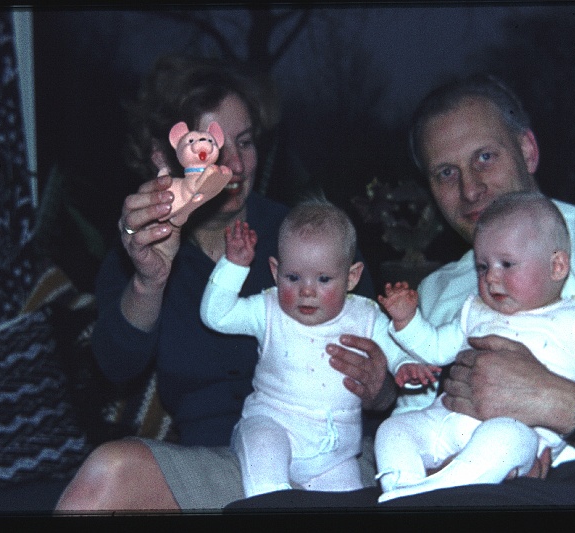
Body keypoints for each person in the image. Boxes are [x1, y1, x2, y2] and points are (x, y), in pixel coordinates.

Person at [226, 73, 575, 510]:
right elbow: (416, 434)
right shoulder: (438, 292)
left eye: (485, 157)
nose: (470, 188)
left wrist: (550, 399)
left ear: (527, 150)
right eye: (446, 173)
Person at [54, 55, 393, 512]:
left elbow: (391, 376)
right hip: (220, 468)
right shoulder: (138, 250)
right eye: (210, 146)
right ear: (163, 154)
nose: (234, 164)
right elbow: (115, 366)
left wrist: (381, 387)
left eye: (246, 142)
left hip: (338, 459)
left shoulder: (309, 237)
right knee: (109, 474)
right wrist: (149, 281)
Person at [373, 191, 575, 502]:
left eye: (507, 264)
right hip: (445, 419)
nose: (492, 278)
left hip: (519, 435)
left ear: (557, 266)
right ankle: (401, 488)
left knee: (506, 439)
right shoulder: (475, 311)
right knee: (393, 431)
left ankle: (435, 491)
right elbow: (435, 348)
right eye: (483, 266)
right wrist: (407, 321)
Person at [200, 200, 409, 498]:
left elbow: (397, 351)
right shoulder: (268, 309)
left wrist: (406, 367)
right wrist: (233, 267)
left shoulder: (366, 316)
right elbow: (215, 315)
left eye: (323, 279)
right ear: (275, 271)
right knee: (266, 476)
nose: (307, 290)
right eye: (293, 277)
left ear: (352, 277)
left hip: (334, 450)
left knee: (350, 501)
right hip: (272, 426)